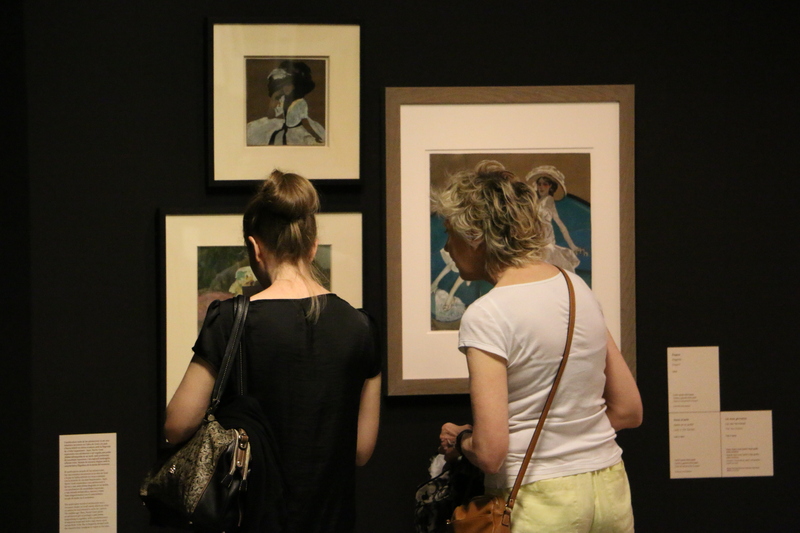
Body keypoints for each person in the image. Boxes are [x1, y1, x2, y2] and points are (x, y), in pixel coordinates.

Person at [164, 170, 381, 532]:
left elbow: (176, 425)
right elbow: (360, 450)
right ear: (312, 247)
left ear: (255, 248)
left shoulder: (230, 319)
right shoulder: (362, 328)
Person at [432, 160, 642, 532]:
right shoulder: (576, 288)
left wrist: (461, 438)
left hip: (539, 499)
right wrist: (571, 442)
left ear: (475, 236)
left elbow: (491, 453)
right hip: (610, 489)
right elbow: (628, 410)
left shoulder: (487, 314)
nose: (448, 247)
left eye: (451, 233)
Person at [246, 60, 326, 146]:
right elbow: (270, 116)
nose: (286, 88)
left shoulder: (301, 102)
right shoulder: (283, 100)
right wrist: (273, 98)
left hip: (298, 131)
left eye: (289, 85)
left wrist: (314, 134)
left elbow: (305, 121)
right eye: (284, 85)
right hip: (286, 130)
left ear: (296, 87)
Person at [525, 165, 587, 272]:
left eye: (545, 184)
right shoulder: (537, 202)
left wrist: (573, 246)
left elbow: (560, 224)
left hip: (546, 243)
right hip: (537, 242)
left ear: (551, 187)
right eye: (539, 184)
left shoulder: (548, 199)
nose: (541, 187)